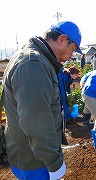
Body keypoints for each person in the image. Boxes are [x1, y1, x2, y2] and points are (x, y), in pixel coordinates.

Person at [2, 21, 82, 179]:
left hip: (34, 153)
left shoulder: (36, 59)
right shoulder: (33, 63)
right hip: (34, 160)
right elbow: (36, 121)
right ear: (62, 39)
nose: (72, 55)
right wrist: (54, 163)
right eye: (73, 49)